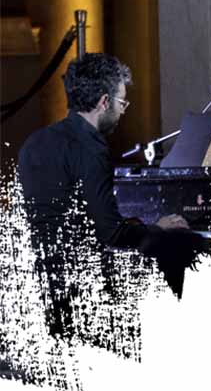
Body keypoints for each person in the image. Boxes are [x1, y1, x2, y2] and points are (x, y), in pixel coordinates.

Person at [17, 53, 198, 340]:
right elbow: (110, 234)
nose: (123, 111)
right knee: (183, 247)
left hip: (36, 281)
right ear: (104, 102)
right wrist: (157, 228)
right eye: (122, 102)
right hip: (81, 288)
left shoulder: (34, 142)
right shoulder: (91, 148)